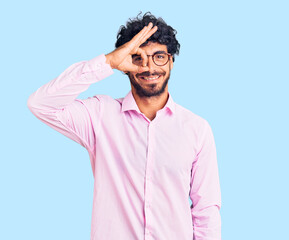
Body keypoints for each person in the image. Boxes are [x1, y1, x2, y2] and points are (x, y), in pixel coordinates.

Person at [27, 12, 221, 240]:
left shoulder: (197, 129)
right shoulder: (99, 116)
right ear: (125, 65)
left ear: (171, 61)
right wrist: (107, 62)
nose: (149, 67)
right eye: (138, 57)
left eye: (159, 56)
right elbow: (40, 104)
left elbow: (205, 210)